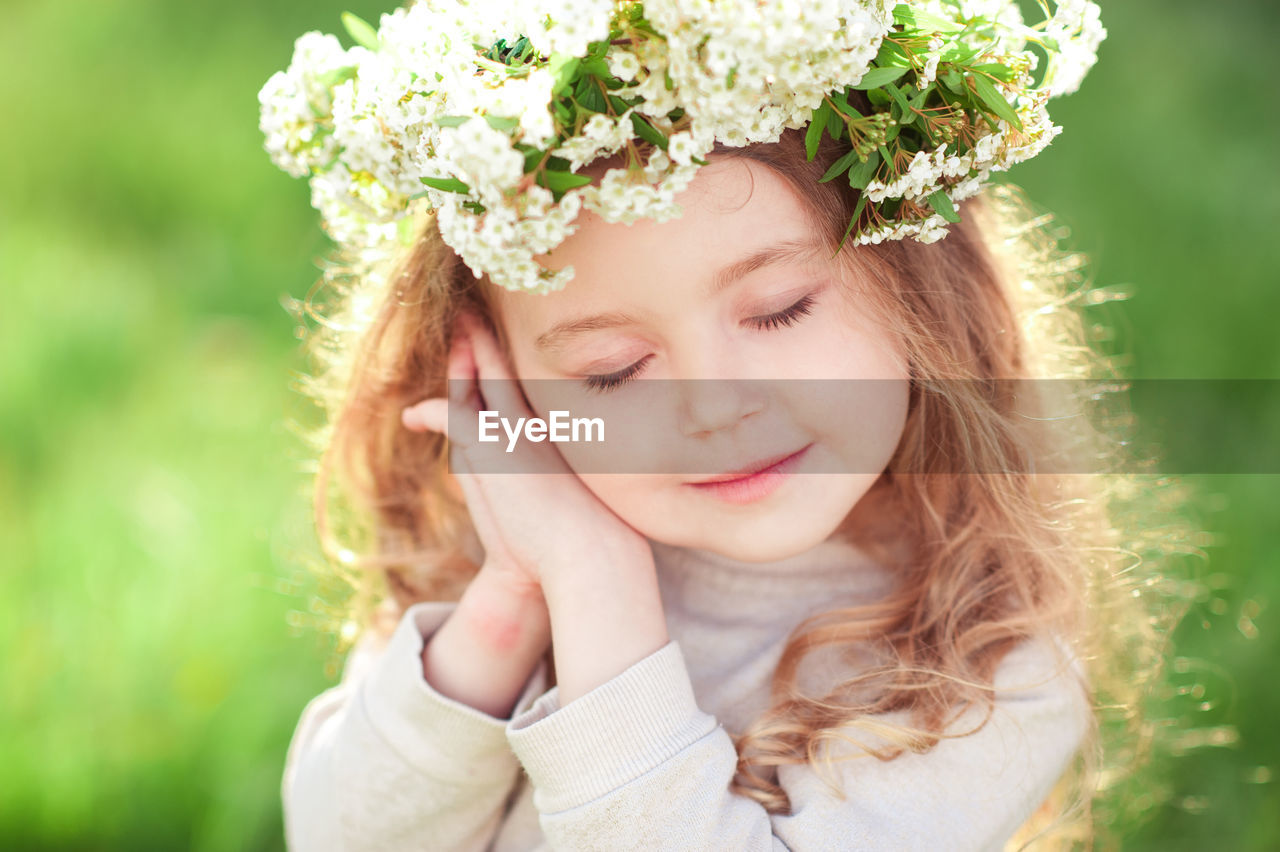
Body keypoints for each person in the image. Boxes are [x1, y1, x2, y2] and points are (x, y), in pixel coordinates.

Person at [261, 2, 1196, 849]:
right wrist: (508, 609)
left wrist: (596, 591)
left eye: (780, 309)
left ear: (923, 284)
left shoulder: (988, 667)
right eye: (612, 372)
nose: (712, 407)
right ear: (497, 376)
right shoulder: (506, 528)